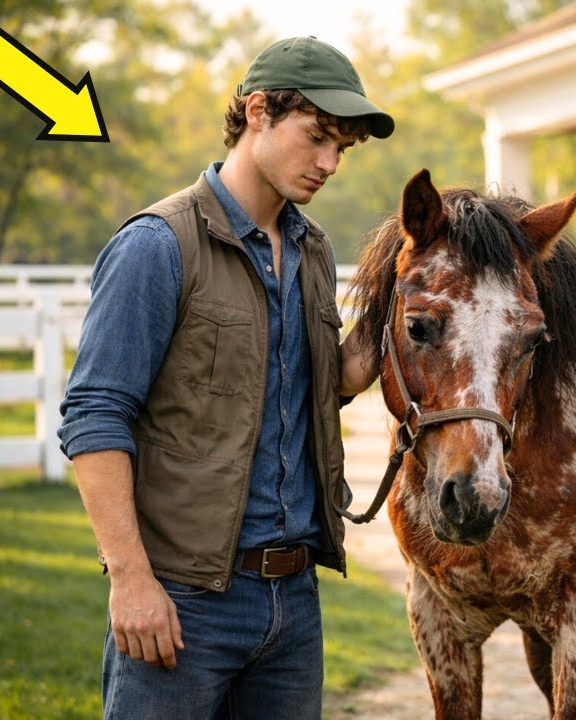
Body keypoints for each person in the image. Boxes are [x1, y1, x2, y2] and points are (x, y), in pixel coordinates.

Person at [57, 36, 394, 719]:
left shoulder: (313, 251)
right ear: (258, 111)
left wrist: (400, 310)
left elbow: (306, 388)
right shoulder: (158, 245)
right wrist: (131, 580)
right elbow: (94, 415)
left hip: (293, 604)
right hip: (182, 602)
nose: (330, 163)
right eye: (317, 137)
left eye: (342, 148)